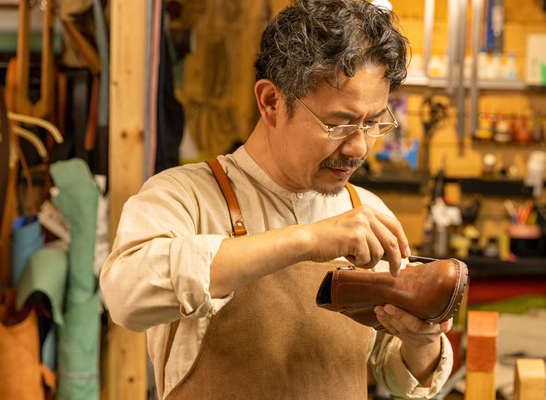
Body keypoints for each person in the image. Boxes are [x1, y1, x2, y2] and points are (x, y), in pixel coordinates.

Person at [100, 0, 454, 398]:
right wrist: (307, 240)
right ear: (271, 101)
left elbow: (396, 374)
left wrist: (422, 341)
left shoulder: (366, 213)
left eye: (372, 123)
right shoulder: (184, 197)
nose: (359, 148)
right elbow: (125, 293)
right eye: (337, 124)